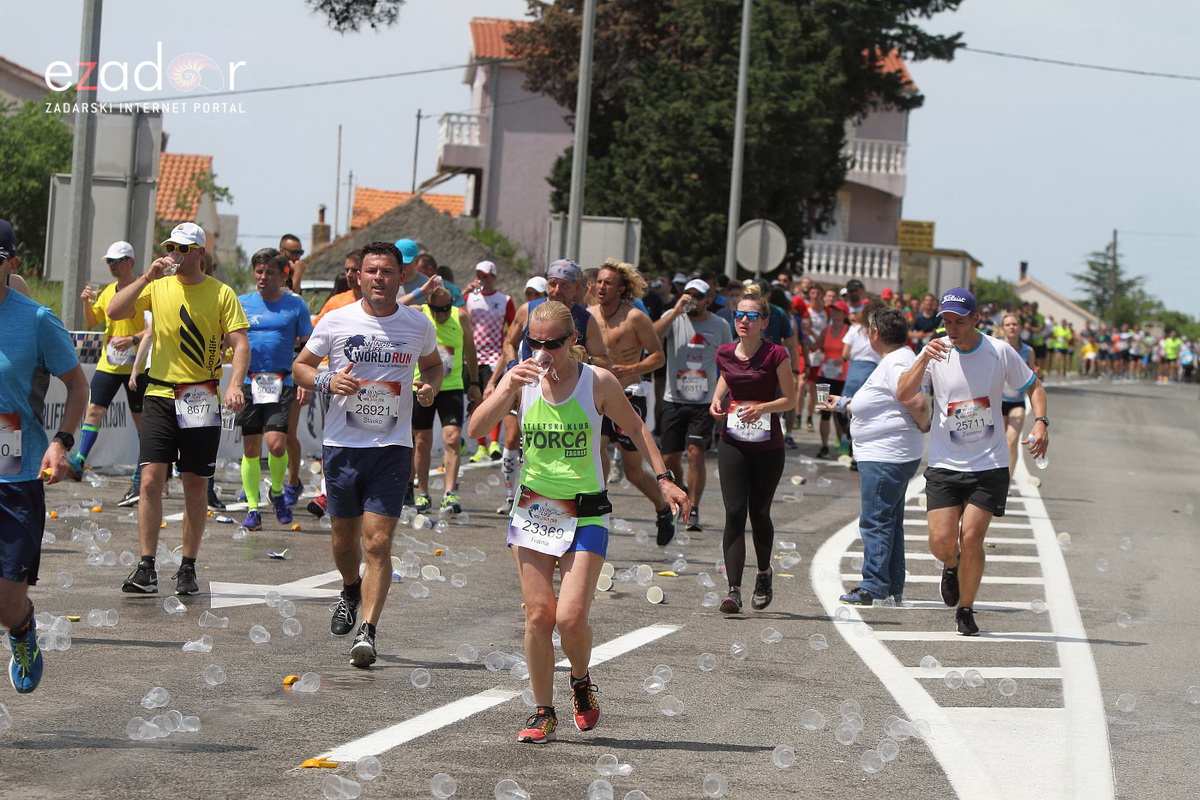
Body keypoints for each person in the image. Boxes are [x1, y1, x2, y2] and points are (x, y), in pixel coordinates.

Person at [466, 300, 689, 744]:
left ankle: (581, 681)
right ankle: (543, 711)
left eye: (553, 343)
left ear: (573, 342)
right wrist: (506, 386)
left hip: (586, 509)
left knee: (569, 618)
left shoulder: (597, 382)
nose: (543, 351)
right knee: (538, 617)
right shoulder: (522, 380)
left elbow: (639, 429)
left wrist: (664, 480)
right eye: (535, 341)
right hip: (535, 508)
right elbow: (475, 429)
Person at [293, 241, 443, 667]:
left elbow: (433, 365)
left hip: (392, 449)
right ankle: (349, 587)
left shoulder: (417, 324)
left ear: (401, 277)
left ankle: (368, 632)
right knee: (344, 541)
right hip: (342, 446)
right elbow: (301, 365)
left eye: (388, 271)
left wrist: (430, 384)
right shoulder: (337, 319)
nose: (379, 278)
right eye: (372, 271)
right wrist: (325, 381)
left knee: (377, 542)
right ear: (358, 276)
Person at [107, 223, 250, 596]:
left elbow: (240, 342)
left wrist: (234, 384)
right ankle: (146, 565)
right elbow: (114, 309)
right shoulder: (156, 286)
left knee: (194, 485)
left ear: (201, 253)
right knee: (151, 479)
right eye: (172, 246)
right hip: (159, 392)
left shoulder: (221, 293)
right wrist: (145, 276)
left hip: (201, 395)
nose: (177, 253)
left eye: (185, 248)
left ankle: (187, 565)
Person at [897, 288, 1049, 636]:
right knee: (942, 542)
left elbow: (1034, 387)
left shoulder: (999, 352)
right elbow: (903, 393)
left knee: (971, 538)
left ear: (976, 319)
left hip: (989, 463)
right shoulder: (935, 351)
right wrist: (922, 359)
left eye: (959, 322)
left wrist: (1041, 423)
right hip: (945, 463)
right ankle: (950, 566)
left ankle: (965, 608)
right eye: (946, 321)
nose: (951, 328)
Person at [0, 225, 88, 694]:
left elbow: (77, 385)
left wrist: (61, 442)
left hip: (15, 467)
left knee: (7, 601)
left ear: (11, 264)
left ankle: (22, 629)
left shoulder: (35, 319)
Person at [823, 308, 930, 605]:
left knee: (876, 520)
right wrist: (846, 403)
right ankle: (892, 584)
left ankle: (874, 584)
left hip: (886, 454)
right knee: (889, 520)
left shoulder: (897, 362)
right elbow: (885, 398)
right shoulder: (900, 358)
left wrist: (924, 423)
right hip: (890, 453)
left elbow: (917, 401)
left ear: (874, 334)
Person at [489, 260, 610, 514]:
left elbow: (604, 360)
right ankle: (511, 495)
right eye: (552, 283)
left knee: (567, 448)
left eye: (564, 285)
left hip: (567, 394)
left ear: (577, 287)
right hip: (526, 386)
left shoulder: (585, 319)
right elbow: (509, 342)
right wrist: (513, 367)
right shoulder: (529, 308)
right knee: (512, 438)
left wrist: (583, 358)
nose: (555, 290)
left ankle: (580, 499)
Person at [709, 285, 796, 614]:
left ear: (764, 322)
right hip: (732, 441)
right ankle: (733, 590)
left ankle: (764, 573)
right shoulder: (725, 353)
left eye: (751, 316)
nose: (743, 321)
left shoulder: (776, 355)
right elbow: (728, 377)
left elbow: (791, 399)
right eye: (739, 315)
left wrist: (763, 408)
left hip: (767, 446)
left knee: (759, 513)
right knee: (733, 512)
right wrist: (717, 399)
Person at [590, 260, 674, 544]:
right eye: (599, 281)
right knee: (594, 448)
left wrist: (629, 369)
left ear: (621, 288)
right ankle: (597, 500)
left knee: (634, 471)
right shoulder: (589, 316)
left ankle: (663, 508)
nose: (602, 287)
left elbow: (658, 356)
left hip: (630, 394)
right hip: (595, 396)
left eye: (608, 283)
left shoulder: (635, 317)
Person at [66, 242, 151, 507]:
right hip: (109, 363)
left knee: (142, 421)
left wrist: (132, 340)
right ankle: (79, 460)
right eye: (109, 261)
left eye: (117, 260)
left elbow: (153, 328)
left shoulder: (145, 289)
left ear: (130, 261)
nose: (112, 265)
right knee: (94, 410)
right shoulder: (107, 292)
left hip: (136, 365)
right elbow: (93, 321)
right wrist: (84, 303)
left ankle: (143, 469)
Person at [236, 248, 313, 529]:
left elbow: (309, 347)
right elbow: (227, 340)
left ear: (282, 276)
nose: (263, 277)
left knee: (277, 444)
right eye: (259, 272)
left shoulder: (295, 306)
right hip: (248, 382)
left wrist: (308, 380)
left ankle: (278, 491)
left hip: (281, 382)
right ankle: (253, 509)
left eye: (269, 272)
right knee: (250, 447)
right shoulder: (241, 303)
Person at [653, 279, 733, 533]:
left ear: (709, 299)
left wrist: (725, 399)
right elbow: (651, 336)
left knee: (696, 452)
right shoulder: (672, 316)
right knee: (669, 457)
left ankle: (695, 507)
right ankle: (685, 491)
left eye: (697, 296)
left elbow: (729, 362)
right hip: (673, 398)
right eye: (688, 294)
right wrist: (676, 311)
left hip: (703, 400)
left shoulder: (719, 325)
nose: (692, 300)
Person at [411, 286, 480, 514]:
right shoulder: (420, 312)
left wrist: (474, 383)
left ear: (452, 304)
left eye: (445, 309)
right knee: (421, 441)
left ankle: (449, 494)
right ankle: (422, 492)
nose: (441, 315)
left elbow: (470, 350)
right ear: (429, 305)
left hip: (451, 386)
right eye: (436, 309)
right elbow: (395, 305)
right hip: (423, 385)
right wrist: (421, 291)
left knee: (452, 440)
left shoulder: (460, 316)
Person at [465, 261, 516, 463]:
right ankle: (481, 447)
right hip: (472, 357)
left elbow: (513, 329)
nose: (482, 280)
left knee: (492, 399)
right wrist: (464, 291)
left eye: (486, 276)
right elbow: (451, 312)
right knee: (476, 401)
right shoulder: (469, 298)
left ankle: (494, 442)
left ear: (493, 277)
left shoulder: (505, 299)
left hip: (495, 356)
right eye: (479, 276)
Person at [996, 313, 1035, 477]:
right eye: (1008, 324)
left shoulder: (1028, 351)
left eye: (1014, 324)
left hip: (1017, 401)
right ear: (1002, 328)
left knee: (1011, 441)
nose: (1011, 327)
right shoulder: (996, 347)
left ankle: (1007, 481)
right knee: (996, 444)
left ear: (1019, 327)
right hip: (997, 401)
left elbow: (1033, 380)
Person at [815, 300, 850, 459]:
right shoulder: (826, 330)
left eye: (838, 311)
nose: (834, 314)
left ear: (844, 314)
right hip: (824, 376)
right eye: (833, 311)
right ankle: (823, 446)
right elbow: (815, 346)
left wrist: (842, 360)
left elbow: (853, 353)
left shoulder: (849, 331)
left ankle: (843, 444)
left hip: (841, 377)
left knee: (840, 413)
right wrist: (806, 334)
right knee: (824, 411)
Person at [315, 251, 363, 322]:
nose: (349, 275)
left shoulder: (377, 301)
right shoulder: (336, 301)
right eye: (347, 270)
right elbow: (315, 326)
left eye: (354, 270)